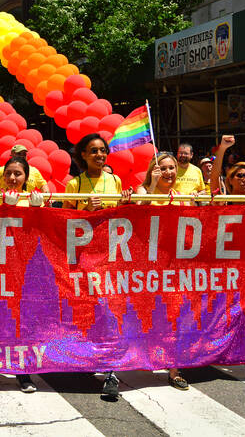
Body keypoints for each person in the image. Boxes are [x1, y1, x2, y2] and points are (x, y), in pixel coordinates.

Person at [64, 133, 131, 399]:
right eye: (94, 151)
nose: (100, 155)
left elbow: (121, 218)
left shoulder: (115, 180)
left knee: (110, 310)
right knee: (85, 310)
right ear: (83, 155)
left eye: (103, 151)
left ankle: (110, 371)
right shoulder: (74, 184)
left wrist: (124, 203)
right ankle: (85, 358)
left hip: (110, 257)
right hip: (82, 258)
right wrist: (84, 211)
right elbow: (63, 219)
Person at [0, 156, 42, 393]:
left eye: (18, 174)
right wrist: (4, 206)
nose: (13, 178)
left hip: (26, 271)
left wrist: (36, 210)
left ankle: (23, 372)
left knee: (23, 320)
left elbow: (43, 233)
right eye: (9, 174)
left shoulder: (34, 200)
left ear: (26, 178)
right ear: (3, 176)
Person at [134, 152, 189, 390]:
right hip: (145, 265)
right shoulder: (143, 189)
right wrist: (153, 185)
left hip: (173, 265)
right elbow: (137, 210)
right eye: (163, 168)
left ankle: (174, 368)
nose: (168, 172)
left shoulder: (180, 195)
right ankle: (134, 358)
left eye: (172, 168)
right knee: (143, 314)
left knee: (174, 314)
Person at [210, 135, 245, 380]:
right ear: (231, 179)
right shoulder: (223, 199)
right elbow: (213, 178)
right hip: (227, 269)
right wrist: (223, 150)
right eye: (240, 175)